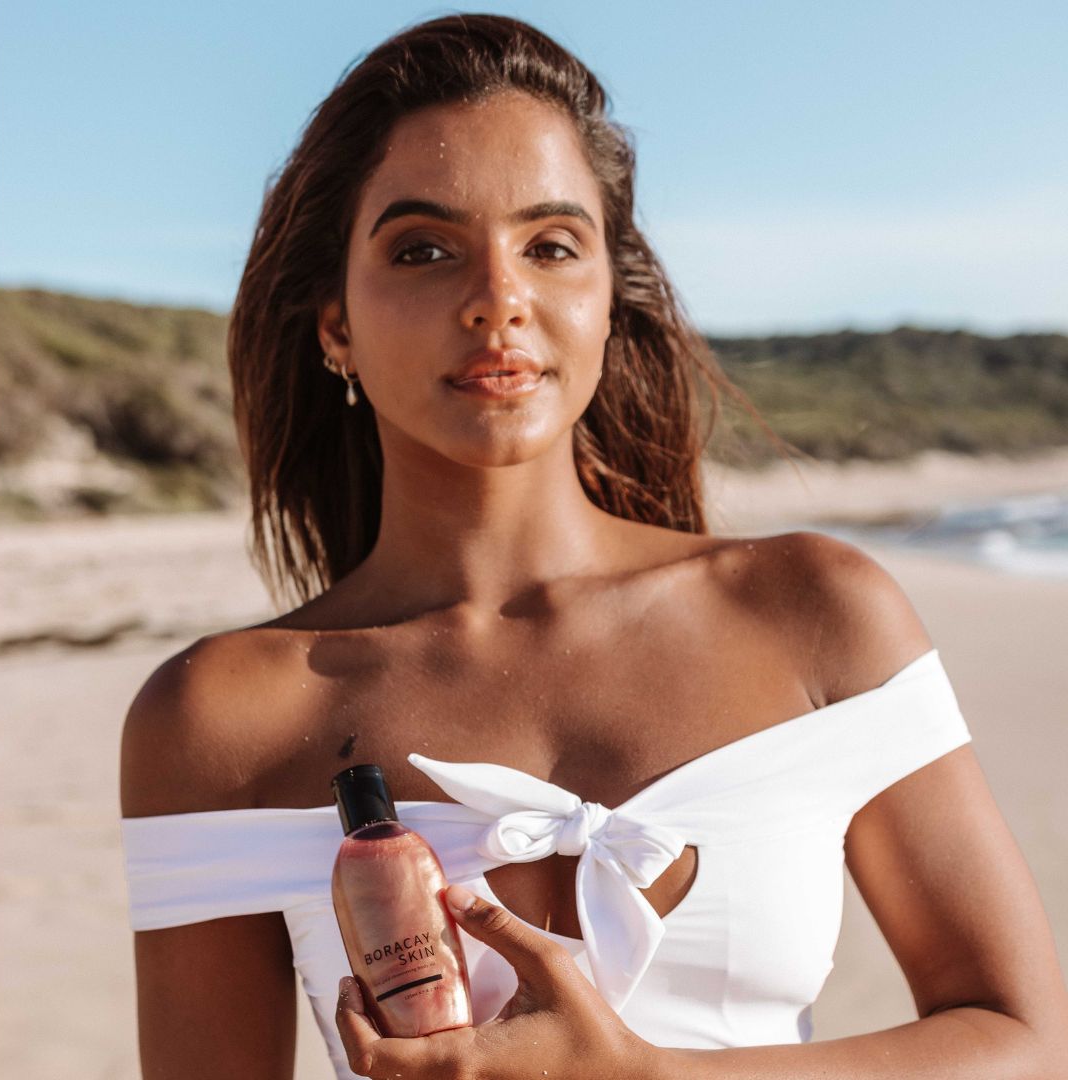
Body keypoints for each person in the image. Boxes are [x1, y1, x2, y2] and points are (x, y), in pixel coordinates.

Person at [119, 13, 1068, 1080]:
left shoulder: (814, 614)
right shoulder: (223, 715)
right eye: (424, 250)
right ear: (335, 322)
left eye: (551, 246)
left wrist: (648, 1076)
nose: (498, 301)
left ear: (607, 295)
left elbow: (1025, 1039)